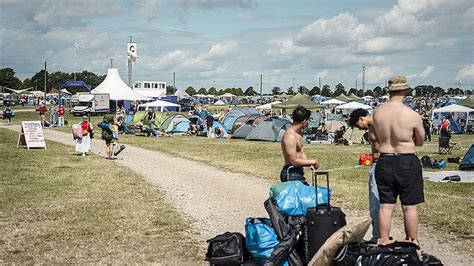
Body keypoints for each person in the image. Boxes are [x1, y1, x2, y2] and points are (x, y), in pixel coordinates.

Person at [372, 76, 425, 244]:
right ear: (404, 91)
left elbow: (373, 137)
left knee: (386, 205)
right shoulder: (412, 114)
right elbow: (421, 141)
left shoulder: (377, 113)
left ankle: (383, 240)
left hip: (385, 159)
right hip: (407, 160)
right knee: (409, 206)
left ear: (389, 91)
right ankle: (412, 242)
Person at [349, 108, 380, 242]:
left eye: (357, 125)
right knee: (377, 204)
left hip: (381, 164)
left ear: (361, 119)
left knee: (376, 202)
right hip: (377, 163)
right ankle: (378, 234)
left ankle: (378, 236)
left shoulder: (379, 124)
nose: (359, 129)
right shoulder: (374, 126)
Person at [280, 106, 320, 183]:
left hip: (298, 171)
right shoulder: (290, 136)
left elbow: (301, 152)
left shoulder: (299, 133)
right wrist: (313, 161)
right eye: (308, 119)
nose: (309, 122)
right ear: (304, 121)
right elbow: (293, 160)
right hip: (291, 172)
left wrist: (308, 163)